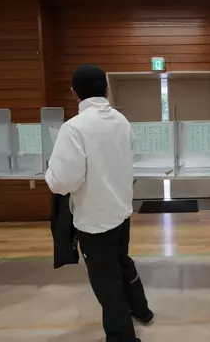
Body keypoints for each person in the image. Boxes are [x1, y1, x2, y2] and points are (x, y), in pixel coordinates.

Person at [45, 64, 153, 342]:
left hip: (93, 220)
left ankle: (121, 337)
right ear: (106, 89)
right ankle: (142, 310)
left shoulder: (73, 128)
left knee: (106, 282)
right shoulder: (121, 121)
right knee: (123, 262)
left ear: (74, 93)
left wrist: (50, 170)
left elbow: (61, 182)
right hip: (121, 211)